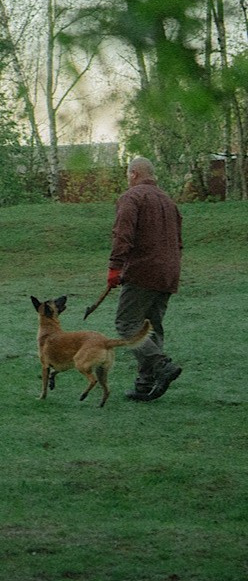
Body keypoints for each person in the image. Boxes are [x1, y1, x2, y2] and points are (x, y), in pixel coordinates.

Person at [107, 156, 183, 402]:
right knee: (151, 326)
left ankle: (161, 366)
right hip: (169, 272)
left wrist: (115, 268)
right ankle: (145, 384)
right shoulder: (168, 201)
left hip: (143, 271)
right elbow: (179, 241)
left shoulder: (132, 197)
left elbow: (123, 235)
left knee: (127, 325)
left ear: (133, 174)